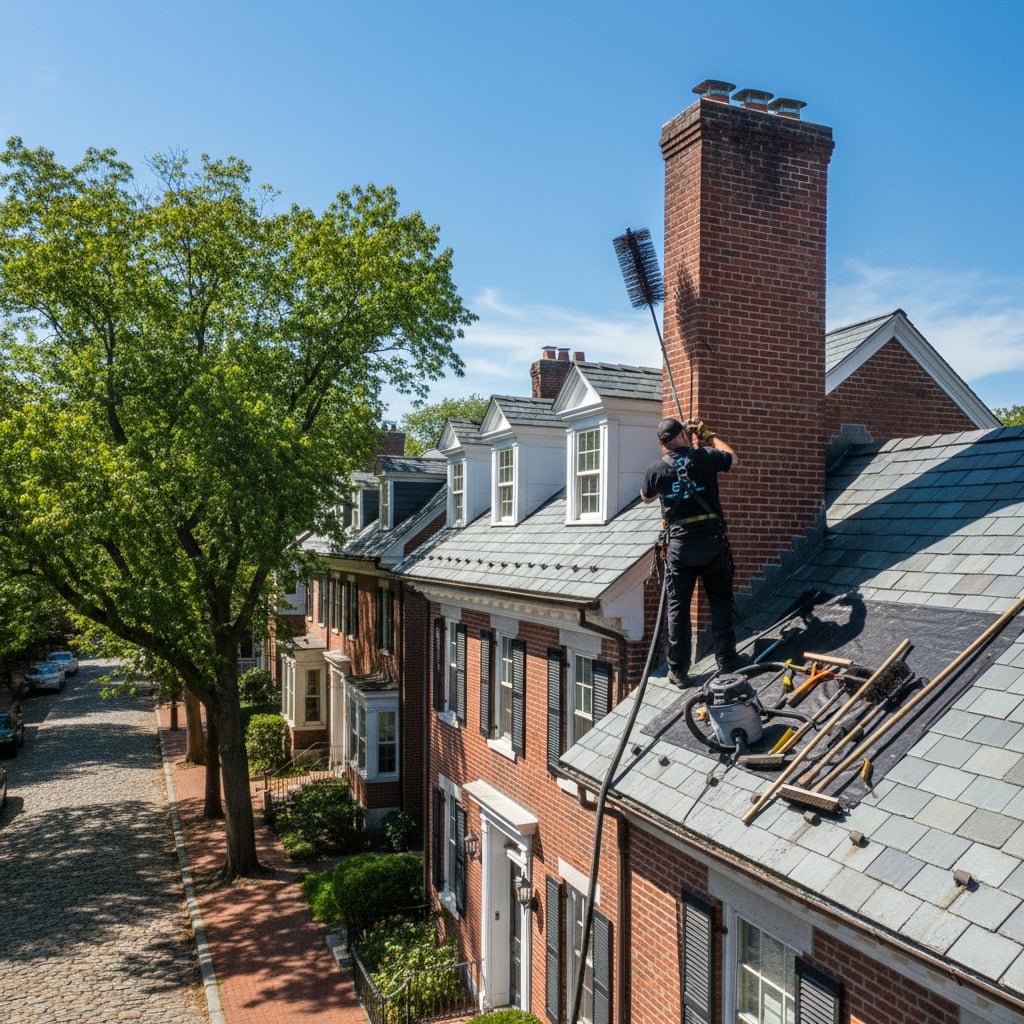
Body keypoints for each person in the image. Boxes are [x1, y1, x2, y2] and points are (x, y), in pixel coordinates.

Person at [641, 417, 739, 688]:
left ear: (662, 444)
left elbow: (646, 497)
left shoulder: (656, 469)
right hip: (711, 542)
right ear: (685, 434)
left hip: (680, 547)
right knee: (720, 601)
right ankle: (727, 661)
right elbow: (733, 458)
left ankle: (679, 671)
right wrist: (708, 435)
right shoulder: (705, 456)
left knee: (678, 609)